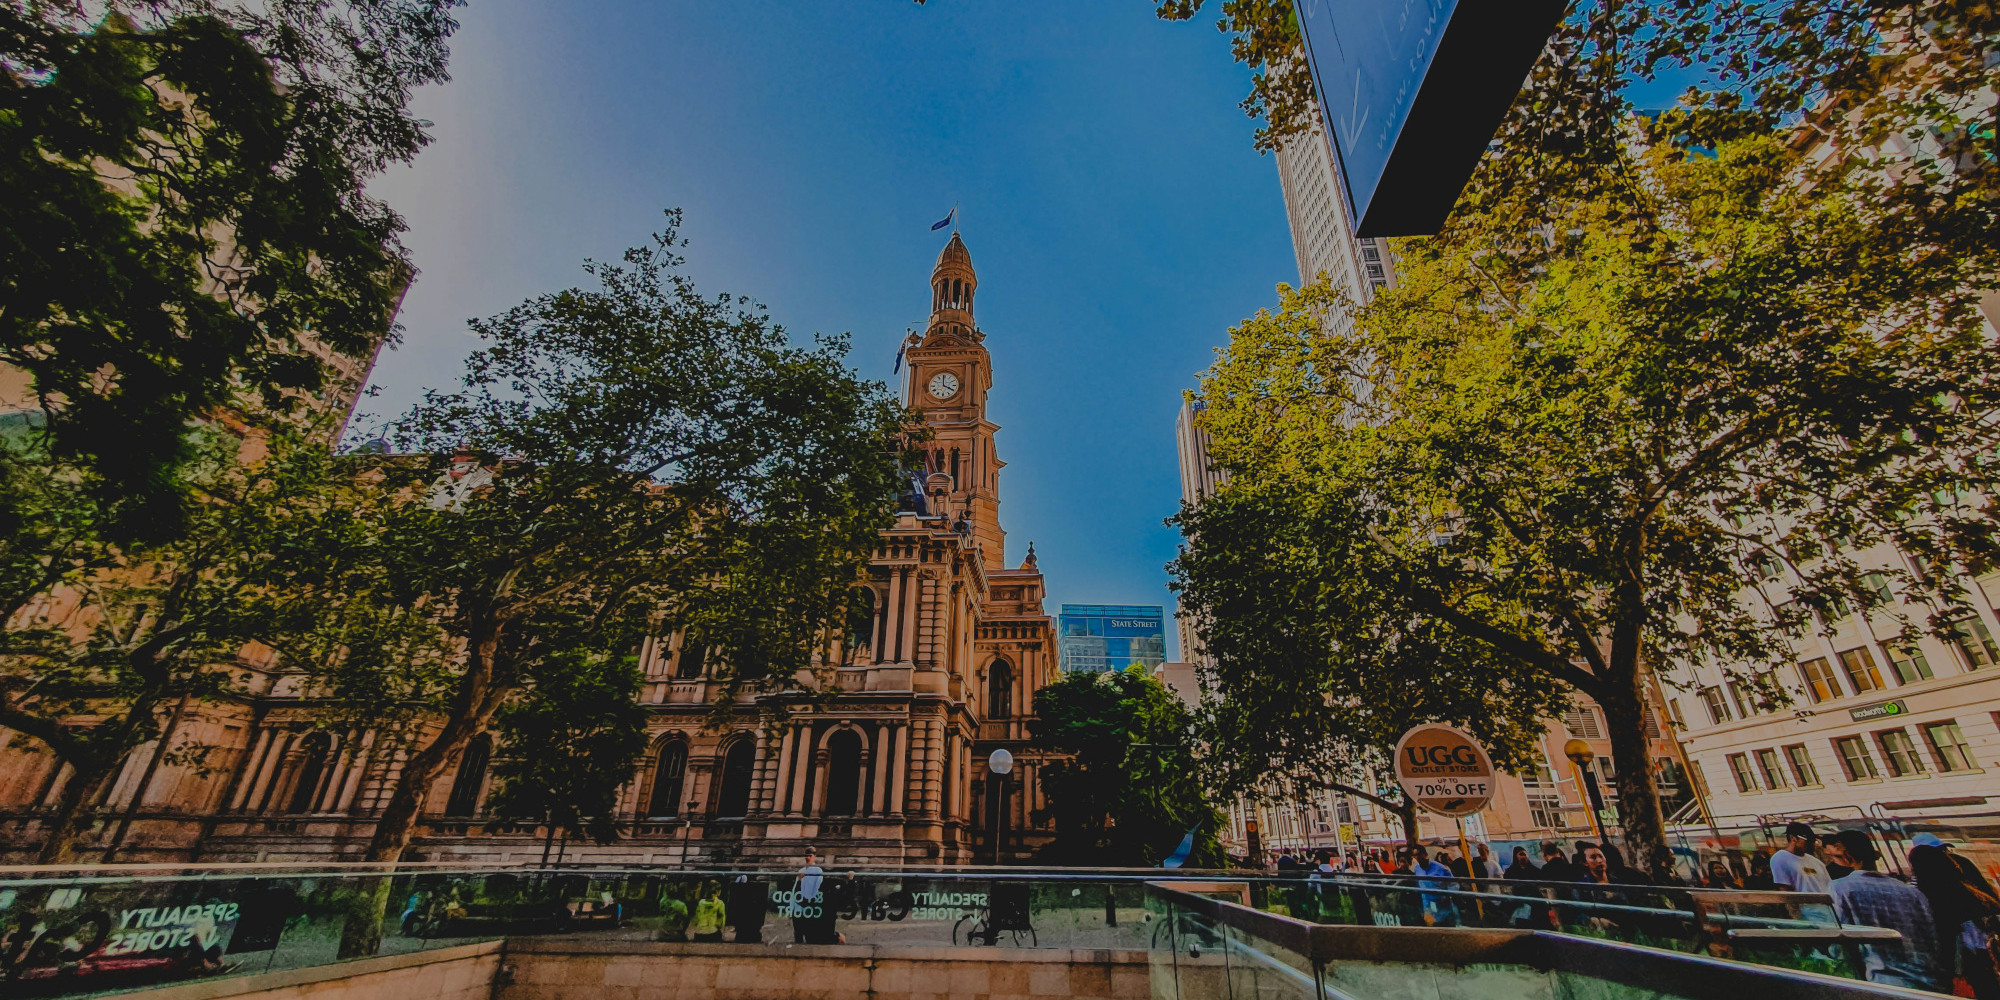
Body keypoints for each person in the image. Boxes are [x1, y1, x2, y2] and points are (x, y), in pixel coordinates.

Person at [1828, 831, 1943, 992]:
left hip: (1887, 985)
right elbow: (1933, 940)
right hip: (1931, 984)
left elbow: (1841, 945)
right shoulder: (1912, 892)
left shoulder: (1840, 888)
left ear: (1847, 857)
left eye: (1834, 856)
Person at [1912, 843, 2000, 999]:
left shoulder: (1932, 899)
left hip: (1969, 964)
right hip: (1987, 959)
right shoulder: (1974, 893)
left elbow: (1945, 938)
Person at [1770, 823, 1832, 895]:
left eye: (1813, 840)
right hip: (1805, 905)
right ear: (1793, 838)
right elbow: (1785, 890)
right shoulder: (1780, 858)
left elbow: (1829, 886)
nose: (1812, 843)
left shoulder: (1817, 862)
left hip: (1825, 904)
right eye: (1808, 840)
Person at [791, 847, 826, 944]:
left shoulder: (817, 870)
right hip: (799, 902)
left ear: (814, 856)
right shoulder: (801, 870)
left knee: (808, 927)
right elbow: (796, 888)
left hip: (810, 902)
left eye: (810, 856)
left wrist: (812, 899)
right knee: (797, 927)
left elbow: (817, 886)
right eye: (806, 856)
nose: (808, 858)